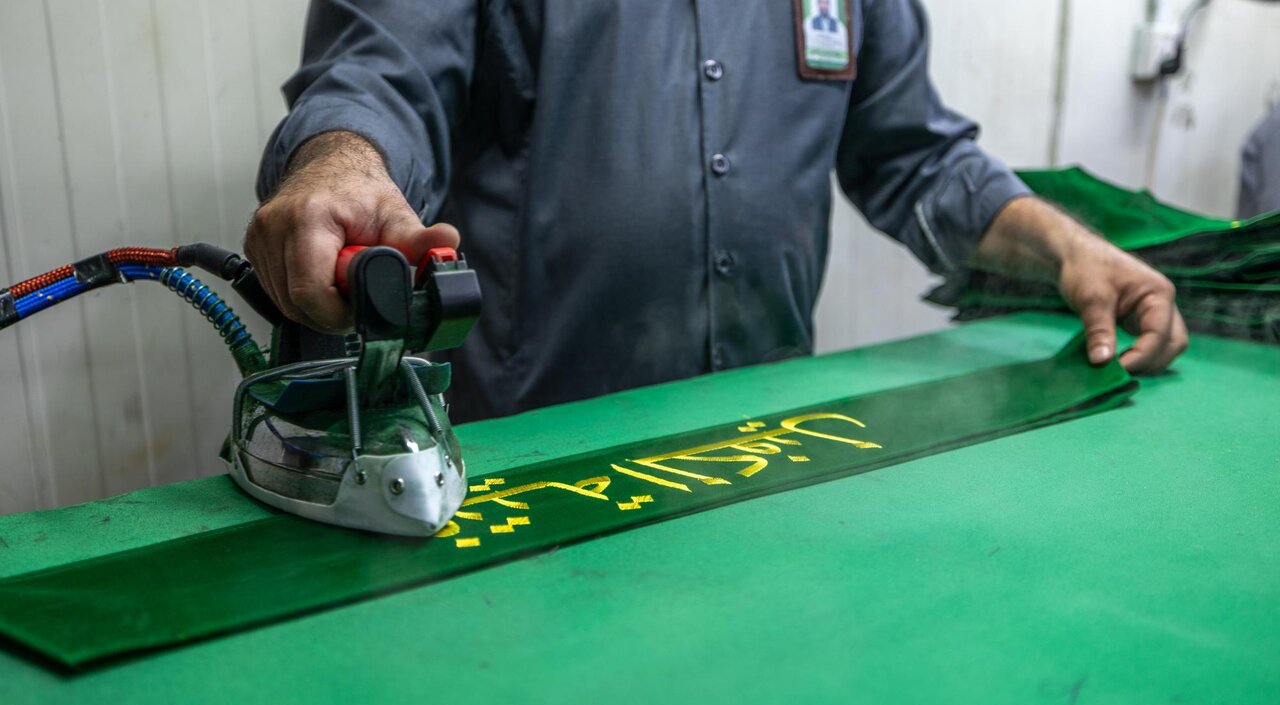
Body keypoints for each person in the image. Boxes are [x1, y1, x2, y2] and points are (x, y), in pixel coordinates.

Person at [248, 0, 1187, 422]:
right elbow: (379, 78)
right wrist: (339, 164)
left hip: (767, 456)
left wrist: (1070, 249)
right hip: (534, 466)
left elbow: (916, 155)